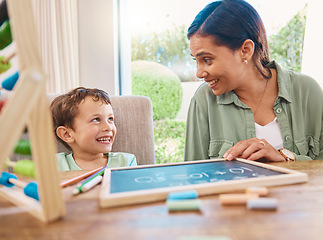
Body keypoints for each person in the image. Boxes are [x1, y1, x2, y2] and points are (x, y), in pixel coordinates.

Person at [184, 0, 323, 162]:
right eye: (196, 60)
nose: (199, 73)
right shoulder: (204, 101)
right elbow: (194, 177)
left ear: (246, 50)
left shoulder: (307, 91)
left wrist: (283, 158)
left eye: (207, 59)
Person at [50, 87, 137, 171]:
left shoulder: (126, 162)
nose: (108, 127)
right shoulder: (54, 164)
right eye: (96, 119)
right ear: (67, 134)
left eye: (110, 119)